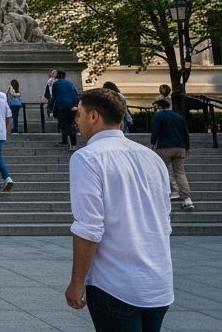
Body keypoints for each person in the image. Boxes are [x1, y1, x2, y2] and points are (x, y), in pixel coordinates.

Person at [65, 88, 173, 331]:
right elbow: (164, 219)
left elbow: (89, 228)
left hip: (114, 284)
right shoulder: (151, 157)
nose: (76, 120)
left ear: (94, 116)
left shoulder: (87, 158)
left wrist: (77, 282)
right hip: (158, 283)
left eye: (79, 114)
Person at [149, 98, 194, 211]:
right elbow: (185, 132)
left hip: (165, 147)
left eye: (155, 106)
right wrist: (187, 147)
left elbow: (155, 131)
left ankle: (173, 190)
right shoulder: (179, 116)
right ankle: (187, 199)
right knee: (180, 173)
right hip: (180, 147)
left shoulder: (158, 116)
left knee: (160, 169)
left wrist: (152, 144)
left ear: (159, 106)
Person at [50, 69, 80, 148]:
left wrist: (51, 108)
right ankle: (73, 140)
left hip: (61, 106)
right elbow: (75, 95)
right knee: (69, 123)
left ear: (57, 76)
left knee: (63, 124)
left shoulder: (56, 84)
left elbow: (54, 97)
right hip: (71, 106)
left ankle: (64, 141)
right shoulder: (70, 84)